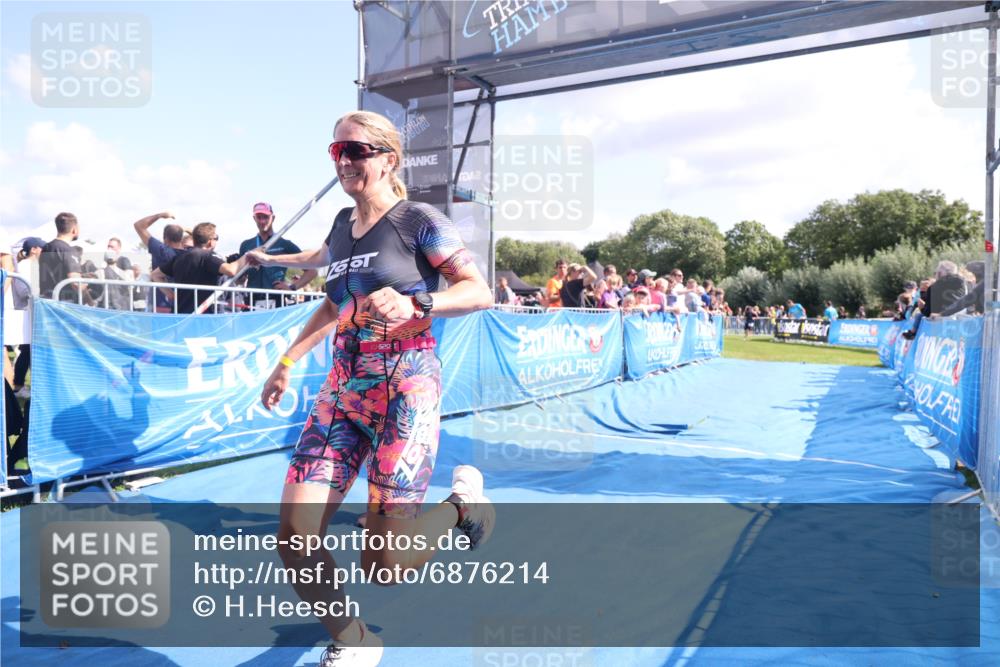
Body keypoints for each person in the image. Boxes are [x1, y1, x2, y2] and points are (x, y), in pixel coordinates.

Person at [245, 110, 493, 666]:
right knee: (294, 535)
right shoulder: (339, 225)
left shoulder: (417, 220)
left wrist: (416, 301)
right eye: (336, 152)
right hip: (342, 396)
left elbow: (478, 290)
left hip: (405, 392)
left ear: (387, 158)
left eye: (356, 150)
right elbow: (333, 303)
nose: (345, 161)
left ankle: (460, 506)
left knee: (384, 566)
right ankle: (354, 641)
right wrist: (286, 360)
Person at [150, 223, 246, 313]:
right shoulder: (208, 256)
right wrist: (248, 255)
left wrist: (171, 295)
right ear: (210, 242)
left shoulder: (179, 257)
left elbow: (155, 275)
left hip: (180, 316)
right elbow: (231, 270)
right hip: (203, 319)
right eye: (216, 238)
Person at [237, 202, 318, 307]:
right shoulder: (246, 245)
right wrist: (238, 275)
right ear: (254, 218)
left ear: (273, 218)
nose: (262, 221)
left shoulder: (284, 244)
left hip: (276, 299)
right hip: (252, 299)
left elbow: (312, 271)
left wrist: (292, 287)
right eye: (259, 217)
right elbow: (240, 280)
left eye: (266, 217)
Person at [133, 211, 187, 313]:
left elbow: (139, 225)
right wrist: (187, 230)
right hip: (184, 306)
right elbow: (202, 238)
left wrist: (160, 215)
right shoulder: (189, 254)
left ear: (165, 239)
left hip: (161, 306)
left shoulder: (161, 250)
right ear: (181, 238)